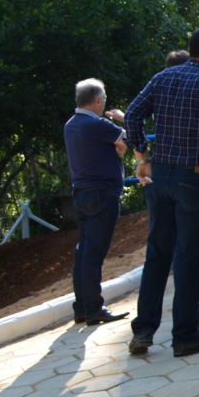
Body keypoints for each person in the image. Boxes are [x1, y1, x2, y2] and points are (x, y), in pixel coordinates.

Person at [124, 29, 199, 356]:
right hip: (195, 179)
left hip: (161, 178)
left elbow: (132, 115)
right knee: (190, 256)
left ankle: (143, 330)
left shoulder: (162, 78)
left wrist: (142, 157)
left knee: (158, 253)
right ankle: (185, 333)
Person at [63, 78, 130, 326]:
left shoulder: (71, 124)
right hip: (101, 194)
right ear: (98, 100)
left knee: (83, 252)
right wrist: (123, 118)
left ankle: (82, 307)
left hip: (81, 193)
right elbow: (129, 137)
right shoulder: (96, 124)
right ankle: (94, 308)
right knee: (94, 253)